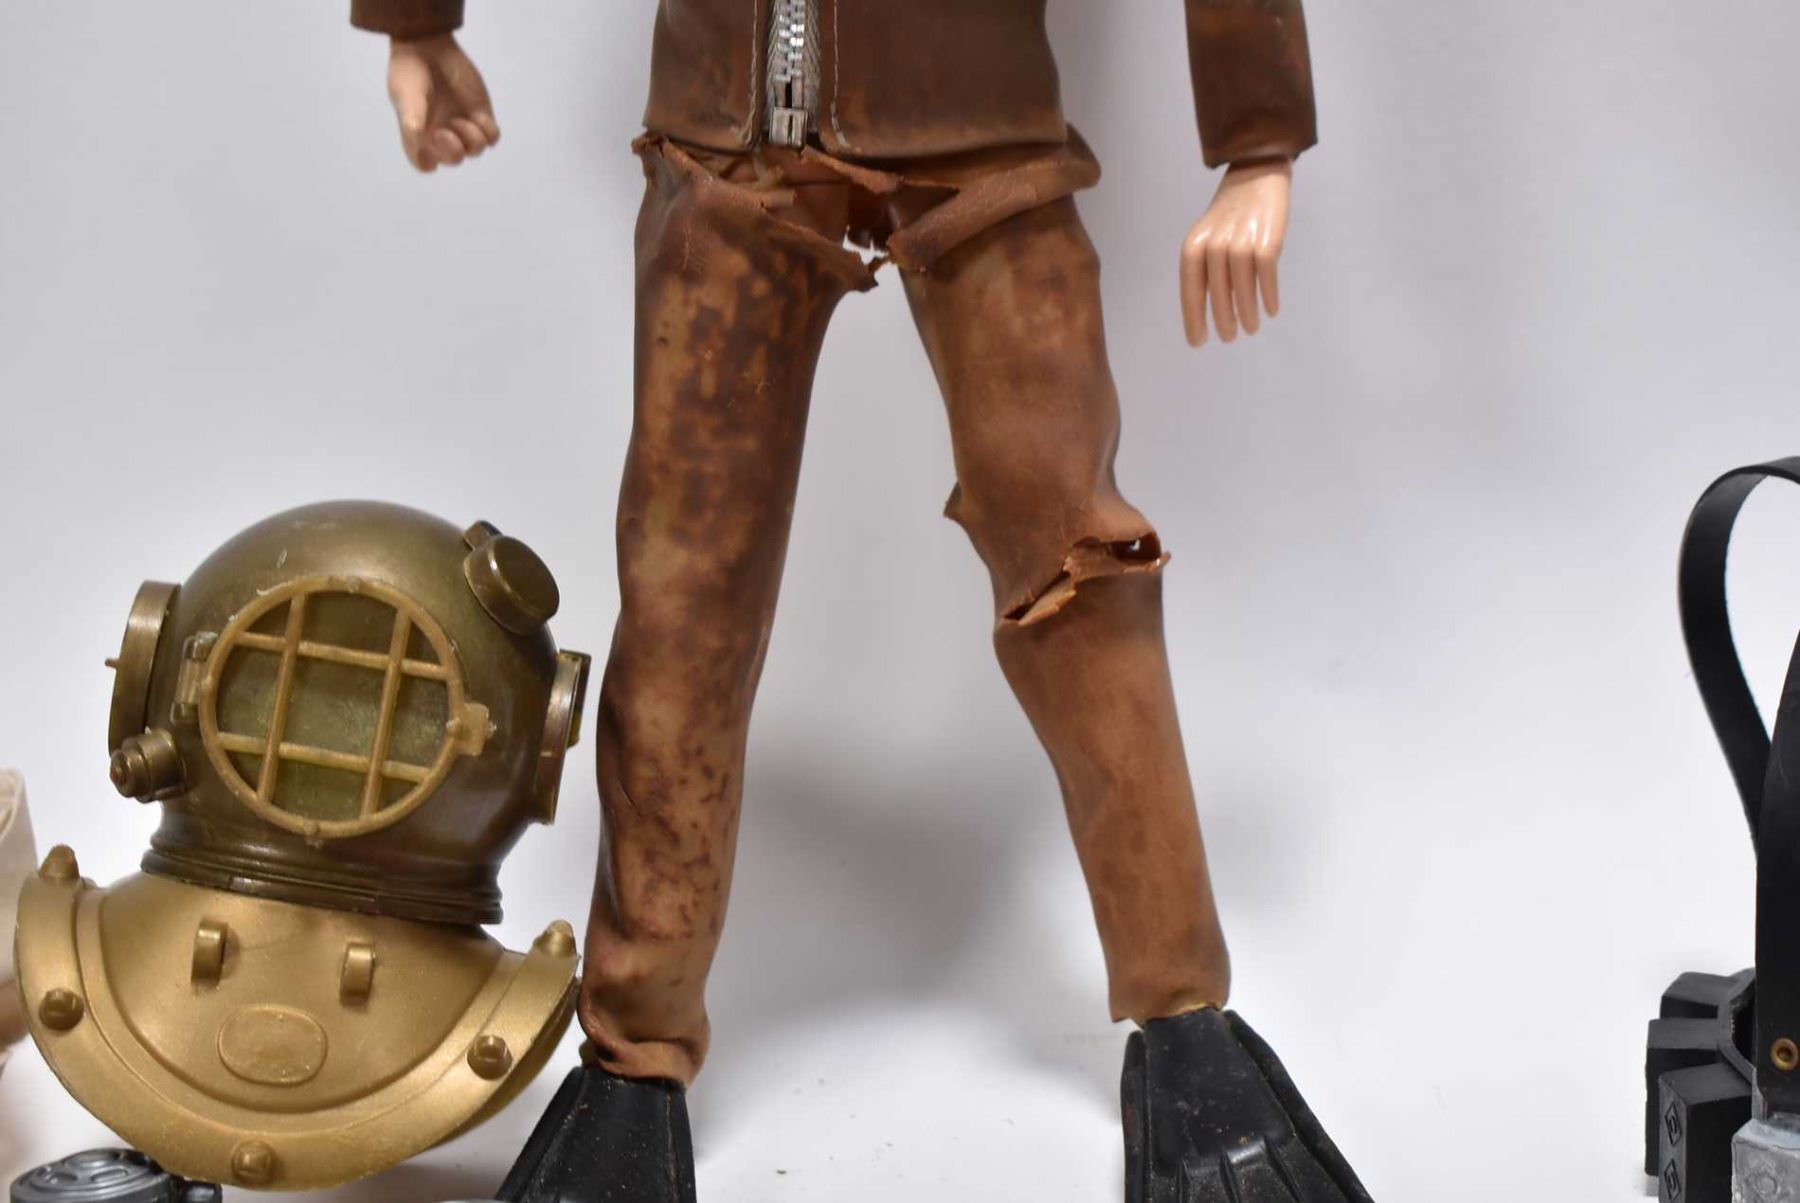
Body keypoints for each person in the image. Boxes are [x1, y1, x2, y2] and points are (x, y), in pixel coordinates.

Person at [345, 4, 1374, 1199]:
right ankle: (631, 1051)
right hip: (727, 140)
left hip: (980, 123)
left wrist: (1257, 141)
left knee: (1075, 564)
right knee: (684, 592)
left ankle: (1185, 1013)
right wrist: (415, 27)